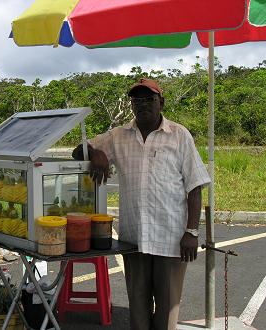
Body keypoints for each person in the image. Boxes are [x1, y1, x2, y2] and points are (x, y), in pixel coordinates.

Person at [73, 78, 210, 330]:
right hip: (134, 239)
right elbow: (78, 150)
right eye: (137, 100)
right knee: (138, 308)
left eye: (149, 99)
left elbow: (195, 186)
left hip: (171, 239)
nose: (143, 104)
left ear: (161, 102)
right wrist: (98, 153)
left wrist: (192, 232)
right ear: (132, 106)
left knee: (167, 311)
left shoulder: (179, 135)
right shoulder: (118, 136)